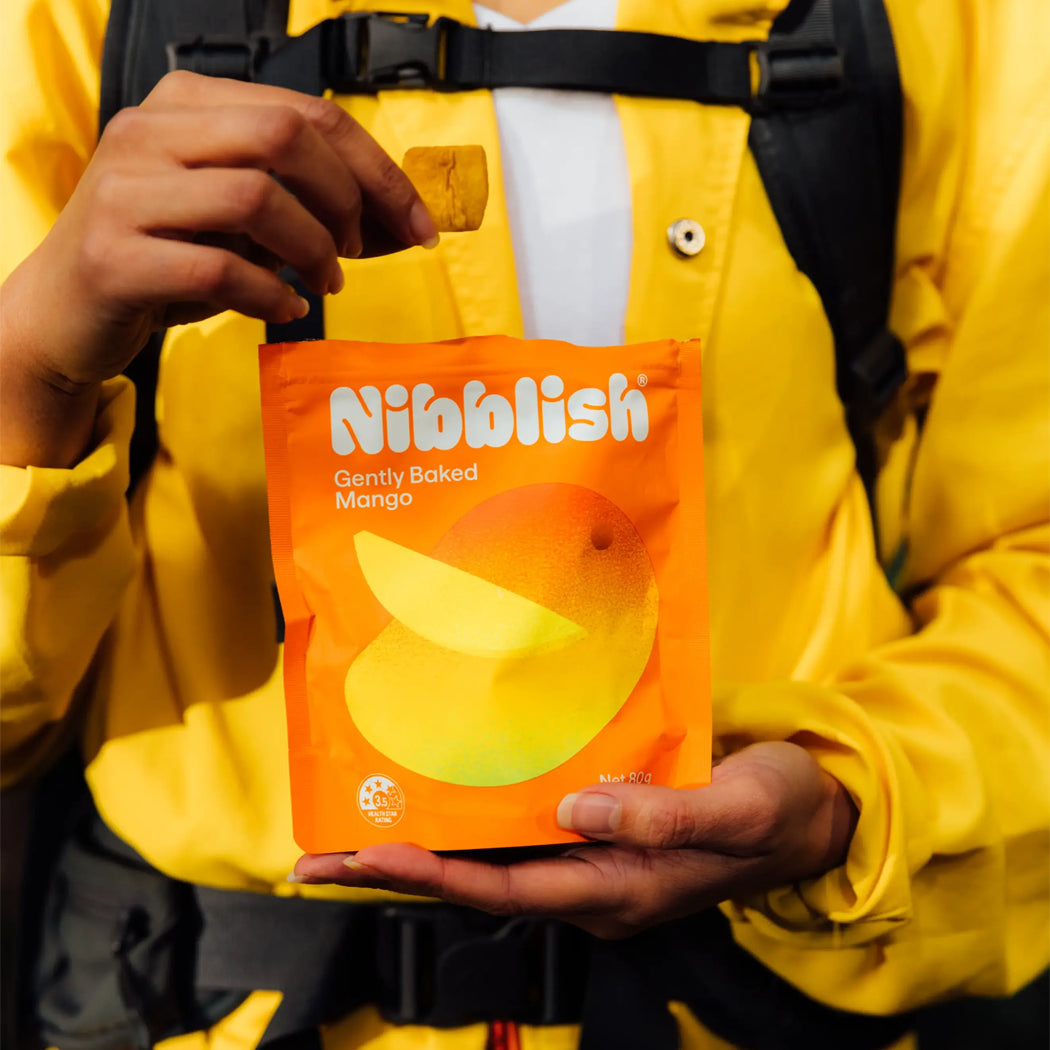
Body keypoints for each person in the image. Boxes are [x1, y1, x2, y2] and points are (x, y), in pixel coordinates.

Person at [1, 0, 1047, 1048]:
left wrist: (849, 794)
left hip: (757, 1000)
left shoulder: (957, 28)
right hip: (207, 1001)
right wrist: (29, 365)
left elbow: (1031, 575)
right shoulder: (76, 21)